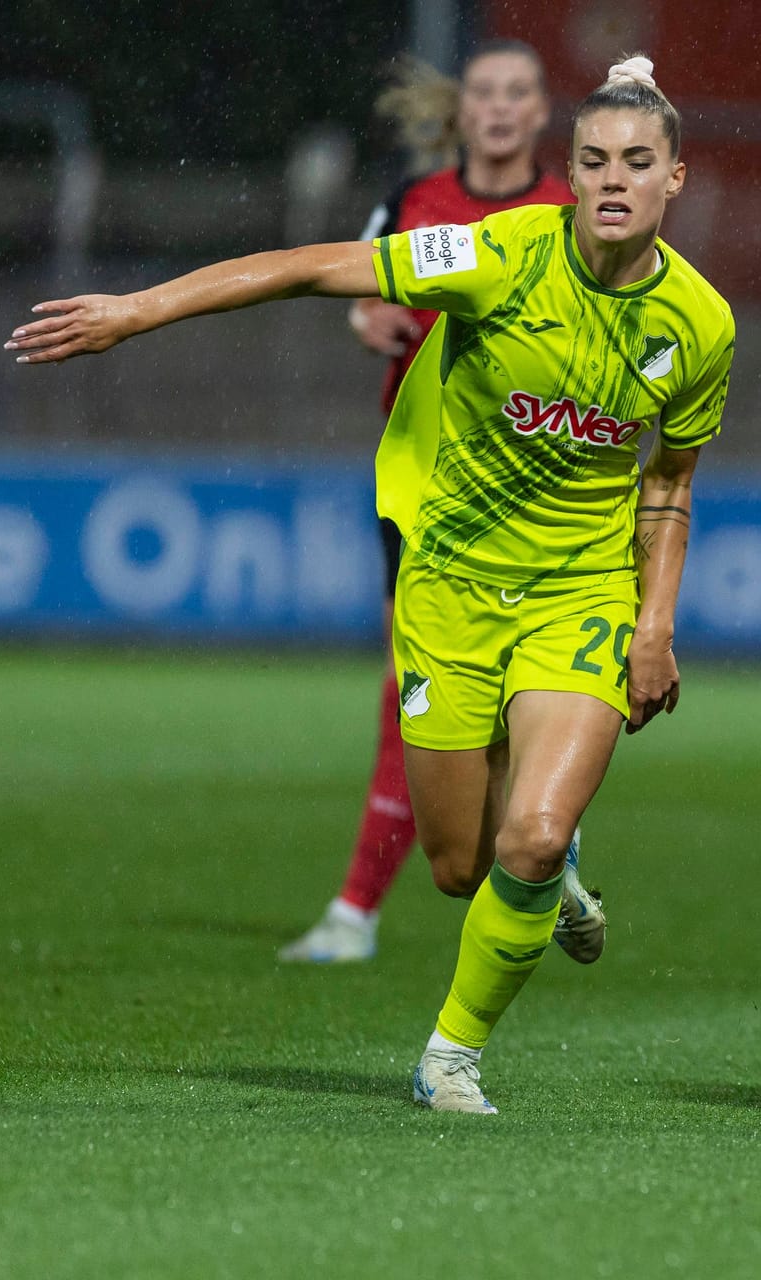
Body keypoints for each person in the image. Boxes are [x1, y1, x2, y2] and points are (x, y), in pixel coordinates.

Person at [7, 57, 735, 1116]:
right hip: (446, 584)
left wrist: (655, 621)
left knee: (523, 837)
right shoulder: (493, 254)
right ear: (567, 177)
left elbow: (668, 485)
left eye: (637, 161)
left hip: (581, 592)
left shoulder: (701, 324)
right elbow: (312, 267)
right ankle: (546, 859)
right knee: (457, 866)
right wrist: (137, 308)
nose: (613, 179)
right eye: (594, 162)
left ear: (676, 179)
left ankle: (452, 1051)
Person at [276, 39, 591, 967]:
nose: (498, 109)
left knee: (488, 698)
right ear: (464, 112)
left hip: (526, 487)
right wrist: (361, 318)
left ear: (541, 114)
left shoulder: (565, 215)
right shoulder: (416, 204)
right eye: (484, 93)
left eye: (517, 94)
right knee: (417, 690)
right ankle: (381, 899)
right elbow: (360, 283)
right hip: (419, 480)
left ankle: (512, 853)